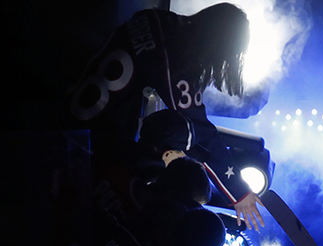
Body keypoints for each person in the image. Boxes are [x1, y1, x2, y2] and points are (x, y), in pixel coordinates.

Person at [68, 2, 264, 230]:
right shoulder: (177, 57)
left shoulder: (155, 19)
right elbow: (199, 131)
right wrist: (240, 192)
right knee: (178, 131)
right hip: (91, 136)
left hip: (74, 97)